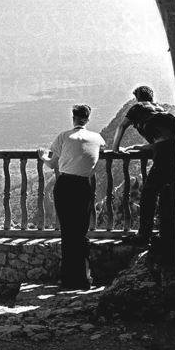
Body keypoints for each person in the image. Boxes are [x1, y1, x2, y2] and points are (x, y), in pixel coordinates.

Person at [38, 104, 105, 290]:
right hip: (84, 186)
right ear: (88, 119)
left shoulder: (63, 136)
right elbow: (98, 152)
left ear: (73, 118)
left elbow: (52, 164)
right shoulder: (97, 138)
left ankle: (68, 279)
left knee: (68, 232)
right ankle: (85, 278)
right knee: (81, 232)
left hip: (65, 186)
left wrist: (43, 156)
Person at [113, 85, 175, 253]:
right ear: (152, 96)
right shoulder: (161, 110)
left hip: (163, 154)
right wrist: (140, 147)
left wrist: (115, 149)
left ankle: (143, 236)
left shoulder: (138, 107)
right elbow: (163, 139)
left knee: (148, 194)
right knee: (167, 194)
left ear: (137, 97)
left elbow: (121, 126)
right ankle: (167, 235)